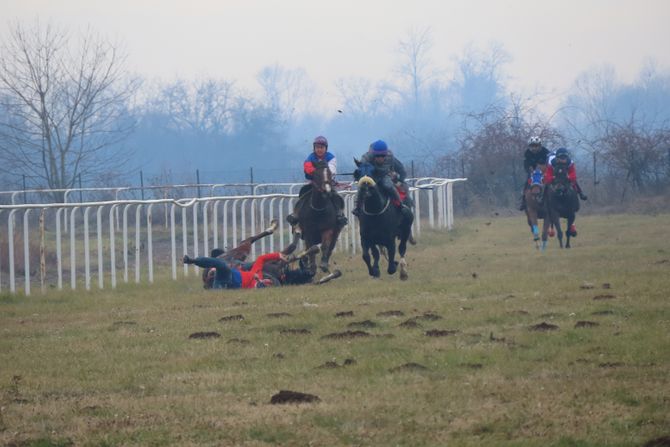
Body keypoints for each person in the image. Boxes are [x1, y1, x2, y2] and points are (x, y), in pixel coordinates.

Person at [286, 135, 348, 227]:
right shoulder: (310, 157)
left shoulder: (331, 157)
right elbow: (307, 168)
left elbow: (332, 170)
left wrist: (320, 171)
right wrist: (318, 171)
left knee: (336, 196)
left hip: (327, 184)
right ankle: (296, 214)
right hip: (314, 184)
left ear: (325, 148)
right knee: (303, 192)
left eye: (321, 147)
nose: (319, 150)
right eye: (317, 147)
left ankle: (339, 214)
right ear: (314, 148)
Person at [353, 139, 412, 219]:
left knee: (389, 186)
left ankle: (400, 204)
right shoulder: (366, 157)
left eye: (382, 156)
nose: (380, 158)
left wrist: (398, 179)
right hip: (372, 176)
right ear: (373, 154)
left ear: (386, 154)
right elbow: (362, 167)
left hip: (384, 176)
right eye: (377, 156)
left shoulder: (390, 157)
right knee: (362, 187)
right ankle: (357, 207)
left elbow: (396, 170)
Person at [184, 251, 291, 289]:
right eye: (270, 281)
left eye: (269, 284)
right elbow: (261, 259)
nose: (269, 282)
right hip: (226, 275)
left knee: (218, 294)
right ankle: (193, 261)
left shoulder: (255, 290)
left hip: (229, 285)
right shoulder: (257, 273)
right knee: (220, 264)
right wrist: (278, 255)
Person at [519, 136, 551, 211]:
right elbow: (526, 164)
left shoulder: (545, 152)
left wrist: (544, 170)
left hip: (544, 172)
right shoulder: (527, 153)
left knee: (550, 183)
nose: (534, 148)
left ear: (539, 145)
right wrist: (529, 170)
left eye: (536, 146)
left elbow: (549, 163)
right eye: (532, 146)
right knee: (527, 183)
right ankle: (523, 201)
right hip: (533, 172)